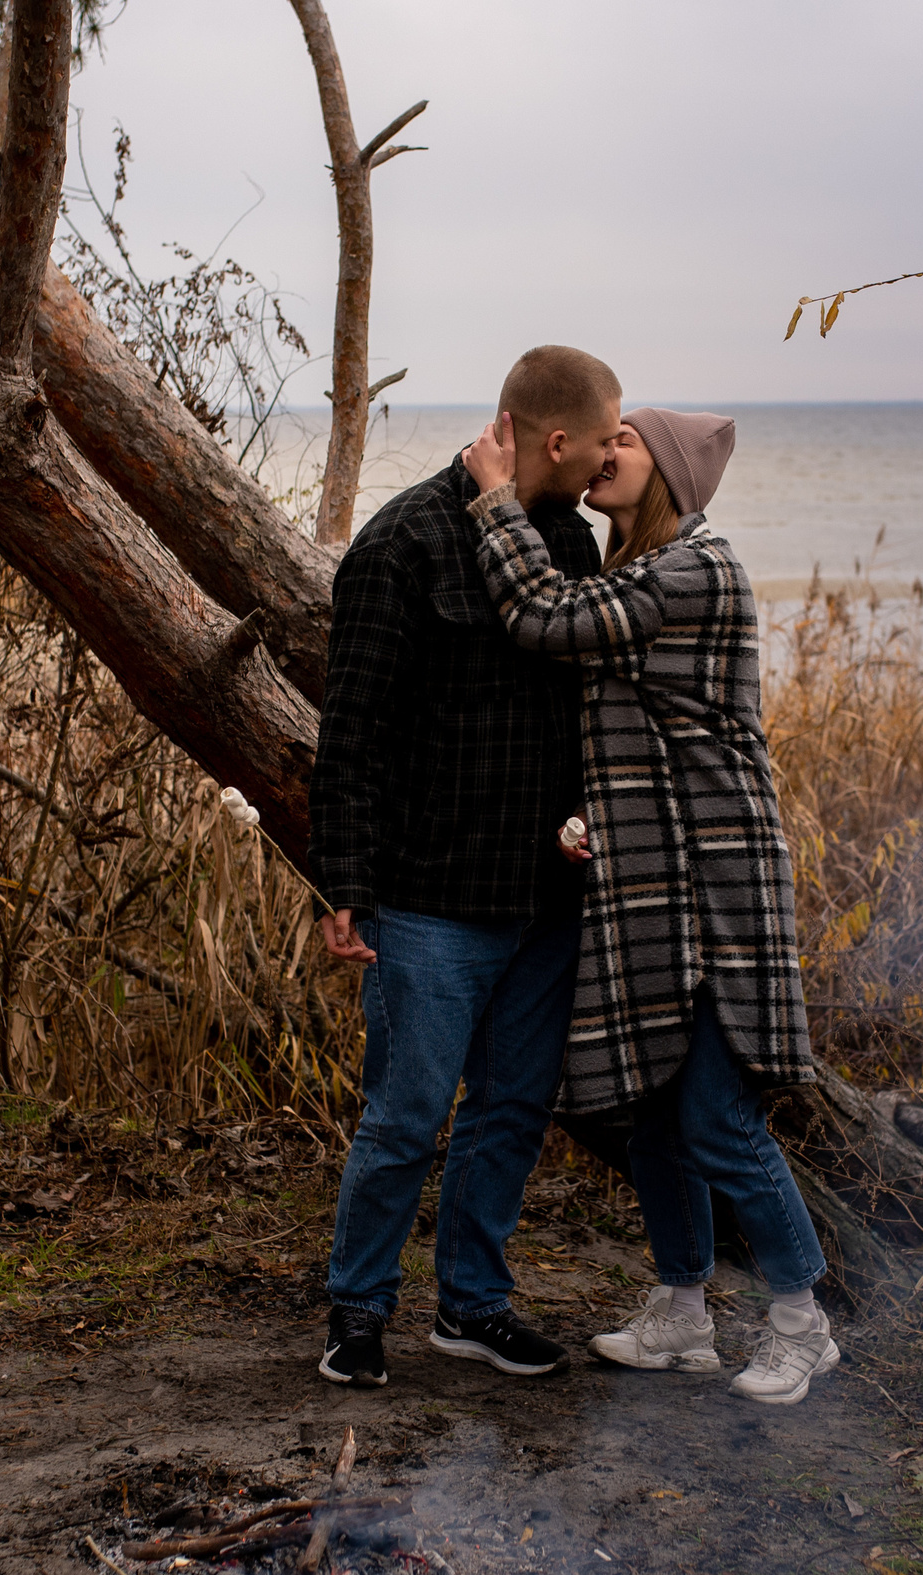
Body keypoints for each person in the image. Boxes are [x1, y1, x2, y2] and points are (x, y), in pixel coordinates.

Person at [460, 406, 840, 1406]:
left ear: (665, 469)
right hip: (652, 883)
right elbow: (634, 721)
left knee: (718, 1116)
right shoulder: (634, 573)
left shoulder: (696, 567)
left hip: (720, 886)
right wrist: (594, 815)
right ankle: (682, 1314)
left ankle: (804, 1322)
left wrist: (496, 504)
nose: (603, 447)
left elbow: (545, 621)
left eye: (625, 439)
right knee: (659, 1113)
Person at [307, 346, 624, 1388]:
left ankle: (472, 1308)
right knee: (404, 1115)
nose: (606, 463)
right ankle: (356, 1312)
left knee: (509, 1112)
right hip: (431, 898)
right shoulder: (402, 545)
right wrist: (344, 888)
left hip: (544, 895)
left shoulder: (570, 544)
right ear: (554, 438)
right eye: (599, 442)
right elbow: (350, 733)